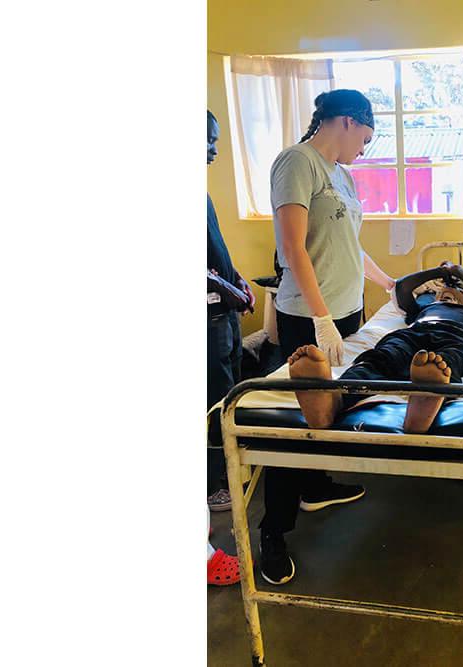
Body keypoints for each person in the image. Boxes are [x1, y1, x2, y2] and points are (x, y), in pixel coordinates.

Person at [259, 89, 396, 584]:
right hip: (309, 320)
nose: (366, 145)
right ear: (346, 121)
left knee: (327, 411)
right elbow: (292, 245)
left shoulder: (344, 176)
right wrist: (319, 318)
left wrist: (389, 284)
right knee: (294, 423)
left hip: (346, 313)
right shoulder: (297, 163)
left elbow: (350, 247)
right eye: (367, 135)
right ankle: (272, 533)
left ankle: (314, 486)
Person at [289, 262, 463, 433]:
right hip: (414, 334)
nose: (447, 292)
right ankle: (332, 401)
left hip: (454, 337)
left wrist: (458, 272)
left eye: (457, 291)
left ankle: (426, 398)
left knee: (448, 360)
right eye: (442, 291)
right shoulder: (422, 308)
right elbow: (401, 287)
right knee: (382, 356)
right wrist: (439, 272)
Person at [207, 109, 256, 513]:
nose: (214, 150)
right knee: (211, 401)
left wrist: (236, 279)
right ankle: (211, 483)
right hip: (206, 318)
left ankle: (228, 466)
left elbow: (214, 251)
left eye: (217, 141)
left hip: (223, 313)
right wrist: (226, 290)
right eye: (207, 140)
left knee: (229, 393)